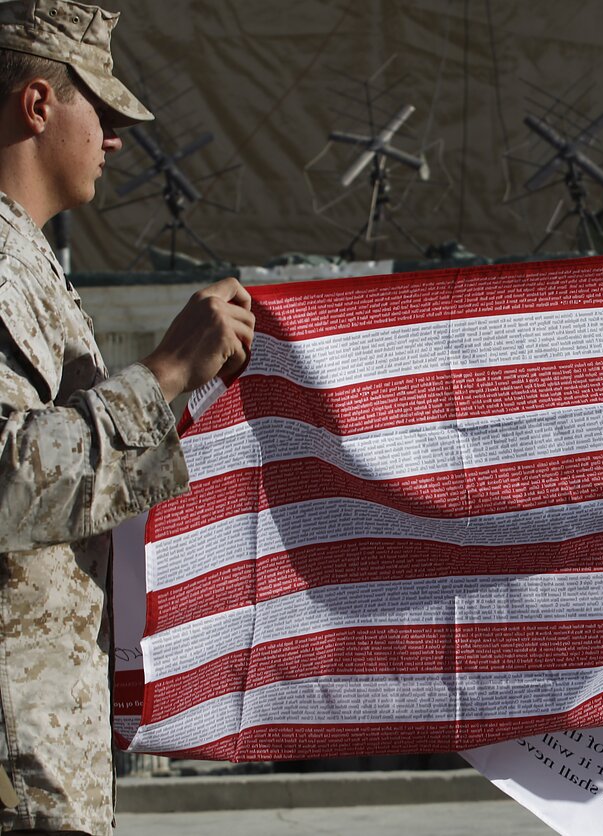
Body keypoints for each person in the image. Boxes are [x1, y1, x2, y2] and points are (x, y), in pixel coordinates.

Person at [0, 1, 255, 833]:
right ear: (38, 105)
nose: (115, 139)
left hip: (45, 750)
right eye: (101, 111)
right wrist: (168, 370)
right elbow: (6, 483)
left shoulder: (29, 259)